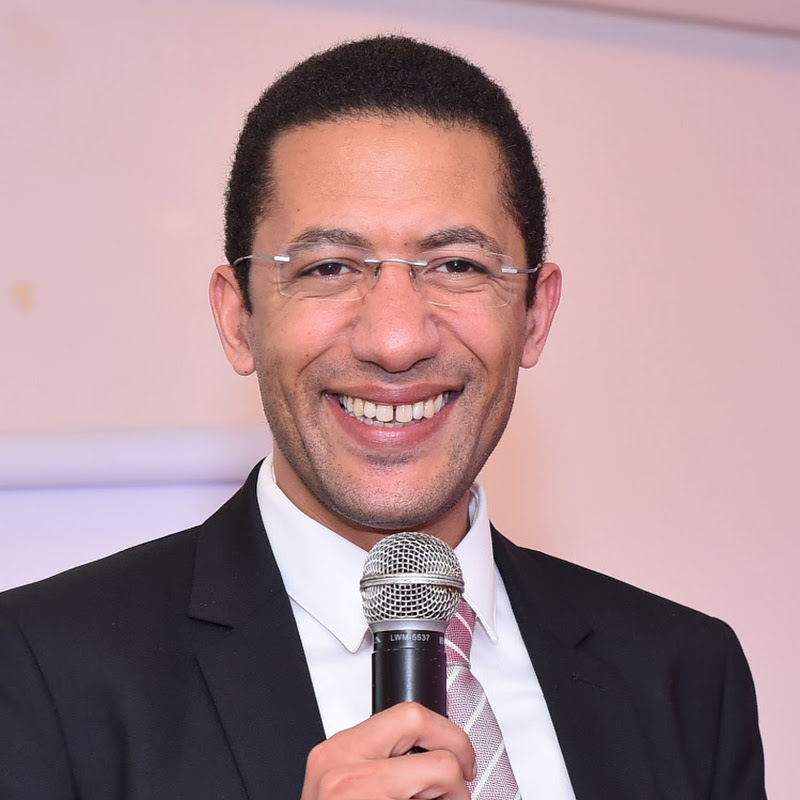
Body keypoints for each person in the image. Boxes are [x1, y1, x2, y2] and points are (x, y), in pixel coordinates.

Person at [0, 36, 765, 799]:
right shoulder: (40, 672)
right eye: (329, 267)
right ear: (238, 321)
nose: (396, 340)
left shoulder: (683, 676)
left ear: (535, 314)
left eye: (457, 265)